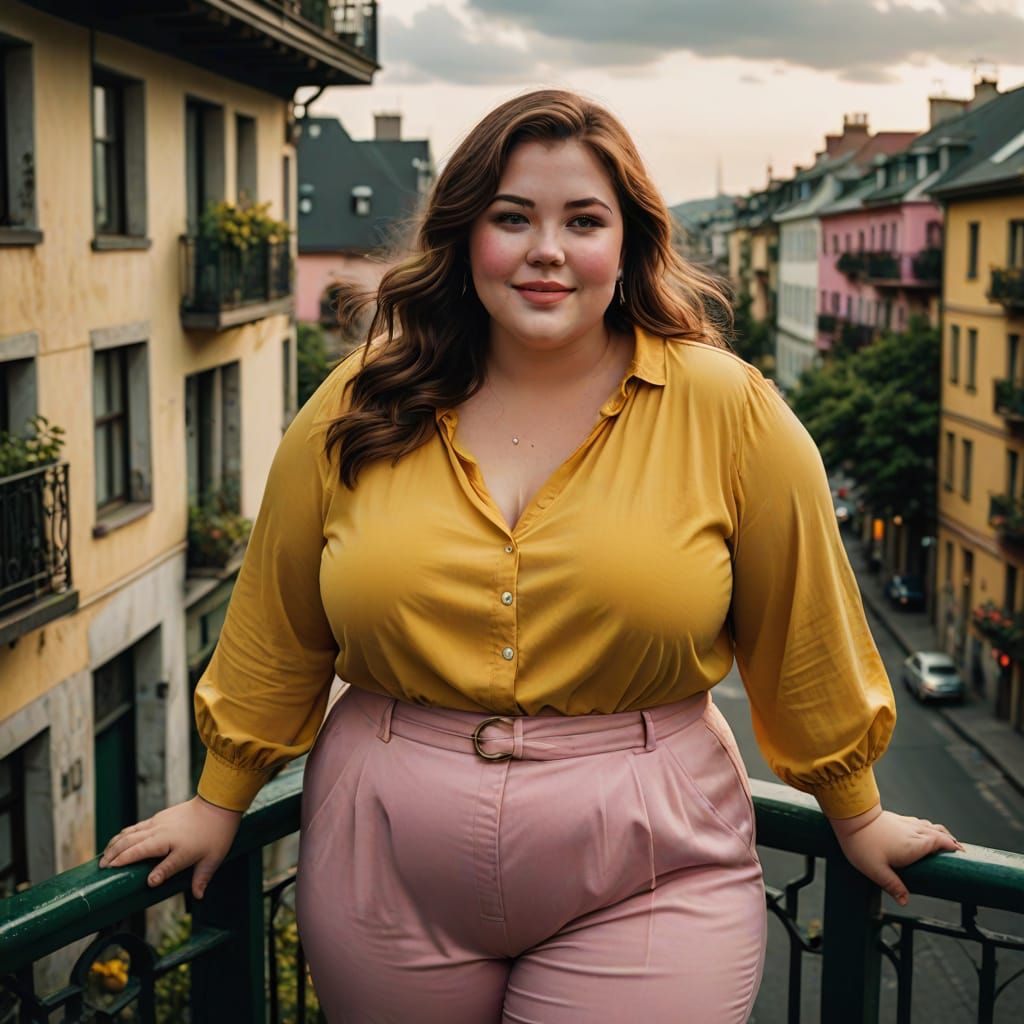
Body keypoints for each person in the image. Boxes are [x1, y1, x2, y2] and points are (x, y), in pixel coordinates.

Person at [98, 89, 963, 1022]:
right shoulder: (359, 400)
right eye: (512, 218)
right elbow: (279, 623)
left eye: (583, 221)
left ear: (628, 244)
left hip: (650, 868)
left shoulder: (731, 411)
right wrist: (219, 800)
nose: (546, 249)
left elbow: (805, 628)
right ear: (465, 235)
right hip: (380, 864)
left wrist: (856, 813)